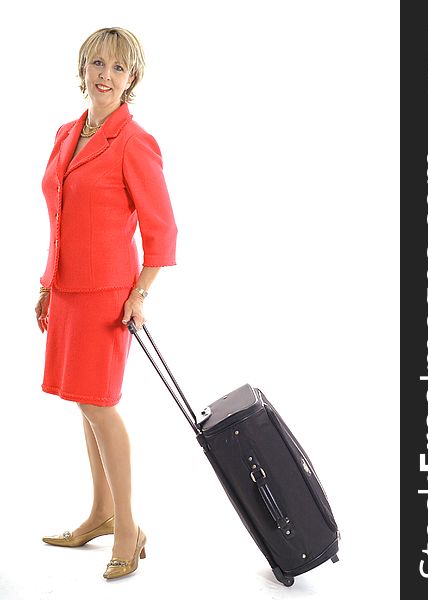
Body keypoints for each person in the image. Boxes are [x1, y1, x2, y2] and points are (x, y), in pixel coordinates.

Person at [35, 27, 178, 580]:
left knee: (99, 404)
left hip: (107, 297)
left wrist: (140, 294)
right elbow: (62, 213)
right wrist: (48, 281)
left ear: (132, 79)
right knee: (82, 401)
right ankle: (99, 514)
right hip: (68, 289)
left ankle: (127, 528)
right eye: (98, 62)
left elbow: (161, 232)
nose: (105, 74)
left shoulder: (134, 141)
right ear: (82, 68)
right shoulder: (66, 133)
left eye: (118, 68)